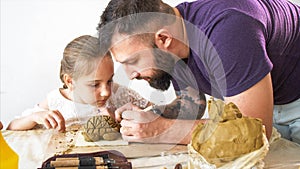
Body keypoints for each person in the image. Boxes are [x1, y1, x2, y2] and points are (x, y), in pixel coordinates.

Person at [97, 0, 300, 144]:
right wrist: (150, 115)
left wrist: (159, 130)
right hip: (265, 101)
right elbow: (191, 103)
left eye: (133, 61)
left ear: (164, 39)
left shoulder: (228, 31)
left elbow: (253, 133)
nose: (131, 75)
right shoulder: (172, 36)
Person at [7, 35, 151, 132]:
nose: (106, 91)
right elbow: (11, 127)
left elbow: (156, 113)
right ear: (70, 81)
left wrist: (129, 116)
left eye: (109, 80)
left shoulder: (119, 93)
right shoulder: (56, 101)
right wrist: (34, 117)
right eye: (95, 85)